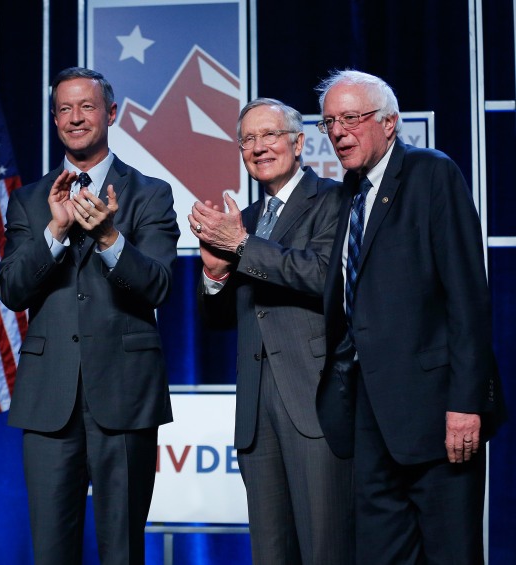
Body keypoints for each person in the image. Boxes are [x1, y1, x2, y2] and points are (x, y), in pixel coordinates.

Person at [314, 69, 507, 564]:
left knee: (450, 554)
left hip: (437, 414)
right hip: (368, 416)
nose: (338, 132)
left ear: (390, 123)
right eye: (329, 122)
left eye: (351, 119)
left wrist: (467, 403)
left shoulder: (430, 173)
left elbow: (468, 296)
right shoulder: (347, 195)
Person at [0, 67, 179, 565]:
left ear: (111, 113)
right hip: (49, 397)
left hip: (124, 393)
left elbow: (159, 286)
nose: (75, 118)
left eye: (87, 106)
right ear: (54, 119)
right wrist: (53, 234)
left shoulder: (151, 193)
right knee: (51, 550)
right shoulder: (30, 200)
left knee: (121, 547)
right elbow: (11, 290)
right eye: (64, 109)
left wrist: (109, 239)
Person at [189, 98, 352, 564]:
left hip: (313, 401)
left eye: (270, 135)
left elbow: (326, 277)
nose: (259, 147)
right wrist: (216, 273)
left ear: (299, 143)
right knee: (271, 552)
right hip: (257, 413)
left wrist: (241, 245)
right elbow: (222, 320)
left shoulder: (335, 199)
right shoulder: (250, 218)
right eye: (248, 139)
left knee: (326, 548)